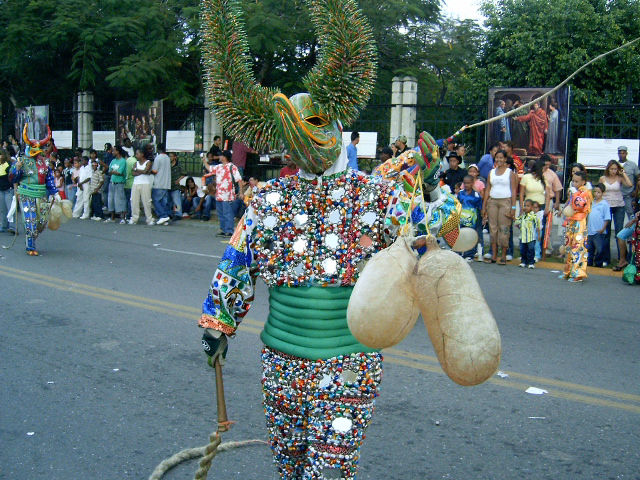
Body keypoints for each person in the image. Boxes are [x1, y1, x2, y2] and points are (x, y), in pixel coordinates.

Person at [9, 125, 60, 255]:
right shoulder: (22, 161)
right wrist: (17, 169)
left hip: (41, 194)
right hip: (27, 193)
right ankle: (30, 247)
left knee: (42, 222)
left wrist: (55, 192)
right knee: (30, 220)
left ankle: (30, 238)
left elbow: (49, 179)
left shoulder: (45, 162)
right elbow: (13, 178)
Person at [482, 149, 517, 264]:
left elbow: (513, 190)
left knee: (504, 228)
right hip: (492, 201)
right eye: (497, 158)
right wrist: (484, 205)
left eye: (501, 158)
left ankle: (503, 255)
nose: (499, 160)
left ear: (505, 159)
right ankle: (494, 254)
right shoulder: (491, 172)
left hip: (505, 201)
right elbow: (487, 189)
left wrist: (513, 208)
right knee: (493, 227)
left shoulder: (510, 173)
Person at [560, 171, 592, 282]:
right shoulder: (576, 191)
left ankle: (578, 273)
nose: (574, 183)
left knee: (578, 246)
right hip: (572, 221)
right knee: (569, 244)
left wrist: (574, 196)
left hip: (579, 221)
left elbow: (580, 205)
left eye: (577, 181)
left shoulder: (586, 192)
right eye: (573, 180)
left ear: (583, 181)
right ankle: (568, 271)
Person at [599, 159, 632, 267]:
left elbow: (630, 184)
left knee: (619, 232)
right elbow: (599, 191)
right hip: (606, 206)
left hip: (619, 206)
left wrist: (623, 173)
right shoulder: (603, 178)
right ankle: (605, 258)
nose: (613, 171)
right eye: (612, 169)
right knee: (606, 233)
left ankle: (622, 258)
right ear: (608, 169)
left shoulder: (619, 178)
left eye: (615, 169)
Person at [208, 149, 244, 236]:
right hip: (219, 194)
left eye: (221, 155)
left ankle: (229, 230)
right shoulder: (219, 166)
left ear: (224, 157)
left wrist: (241, 192)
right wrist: (204, 161)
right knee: (220, 213)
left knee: (227, 213)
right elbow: (210, 169)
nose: (219, 157)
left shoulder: (232, 167)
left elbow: (239, 180)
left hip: (228, 195)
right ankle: (223, 229)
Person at [457, 175, 483, 261]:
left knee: (470, 236)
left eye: (468, 183)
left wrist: (483, 216)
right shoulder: (460, 193)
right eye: (465, 183)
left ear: (472, 183)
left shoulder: (476, 195)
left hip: (472, 219)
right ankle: (460, 252)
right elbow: (457, 204)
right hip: (462, 218)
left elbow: (480, 207)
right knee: (461, 235)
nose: (466, 185)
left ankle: (469, 254)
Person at [587, 183, 610, 268]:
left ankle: (598, 263)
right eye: (595, 192)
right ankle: (589, 263)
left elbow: (607, 218)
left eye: (598, 192)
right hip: (590, 230)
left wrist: (603, 229)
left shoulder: (604, 204)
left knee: (600, 249)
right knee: (589, 248)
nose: (596, 194)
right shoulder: (592, 203)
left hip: (599, 230)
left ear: (603, 193)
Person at [129, 148, 155, 225]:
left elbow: (145, 171)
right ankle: (134, 218)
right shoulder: (136, 163)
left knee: (147, 202)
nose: (136, 155)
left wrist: (137, 170)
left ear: (142, 154)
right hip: (136, 183)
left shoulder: (148, 162)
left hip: (145, 183)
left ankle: (149, 219)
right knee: (134, 201)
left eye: (137, 154)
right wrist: (143, 172)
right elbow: (133, 173)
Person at [514, 199, 541, 269]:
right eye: (524, 206)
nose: (525, 207)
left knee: (531, 249)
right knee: (523, 250)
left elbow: (538, 226)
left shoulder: (533, 216)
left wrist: (538, 235)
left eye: (528, 206)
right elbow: (517, 222)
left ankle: (531, 262)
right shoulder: (522, 216)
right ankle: (523, 261)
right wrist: (518, 225)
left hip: (531, 237)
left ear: (532, 207)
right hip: (522, 237)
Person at [105, 146, 128, 224]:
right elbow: (109, 171)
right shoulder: (113, 161)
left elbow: (120, 172)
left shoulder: (123, 161)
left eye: (114, 150)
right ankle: (112, 217)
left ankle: (123, 218)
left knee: (120, 200)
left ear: (118, 152)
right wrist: (114, 172)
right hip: (112, 182)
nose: (112, 152)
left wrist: (114, 172)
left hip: (119, 183)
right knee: (111, 200)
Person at [617, 146, 640, 220]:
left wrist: (635, 191)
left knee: (631, 214)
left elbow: (638, 178)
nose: (621, 155)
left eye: (623, 153)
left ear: (626, 153)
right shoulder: (615, 165)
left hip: (629, 195)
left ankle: (632, 230)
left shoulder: (632, 165)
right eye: (620, 153)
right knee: (618, 215)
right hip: (617, 194)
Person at [151, 143, 172, 225]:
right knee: (164, 202)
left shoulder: (158, 158)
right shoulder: (167, 158)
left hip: (158, 183)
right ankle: (164, 218)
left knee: (156, 200)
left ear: (158, 149)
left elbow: (155, 170)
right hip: (166, 183)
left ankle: (163, 215)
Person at [0, 149, 15, 233]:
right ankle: (4, 225)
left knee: (10, 209)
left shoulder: (8, 165)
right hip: (1, 190)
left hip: (8, 190)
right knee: (2, 209)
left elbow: (12, 177)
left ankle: (12, 226)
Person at [169, 152, 185, 220]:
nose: (170, 158)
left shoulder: (179, 165)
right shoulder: (168, 165)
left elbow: (184, 173)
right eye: (169, 156)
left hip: (175, 186)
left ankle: (178, 214)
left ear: (175, 157)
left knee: (176, 201)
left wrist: (178, 180)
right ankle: (171, 213)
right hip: (168, 185)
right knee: (169, 201)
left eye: (171, 156)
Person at [124, 151, 137, 219]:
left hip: (126, 183)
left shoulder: (125, 162)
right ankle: (130, 215)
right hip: (133, 182)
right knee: (131, 201)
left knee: (127, 200)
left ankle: (127, 215)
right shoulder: (134, 161)